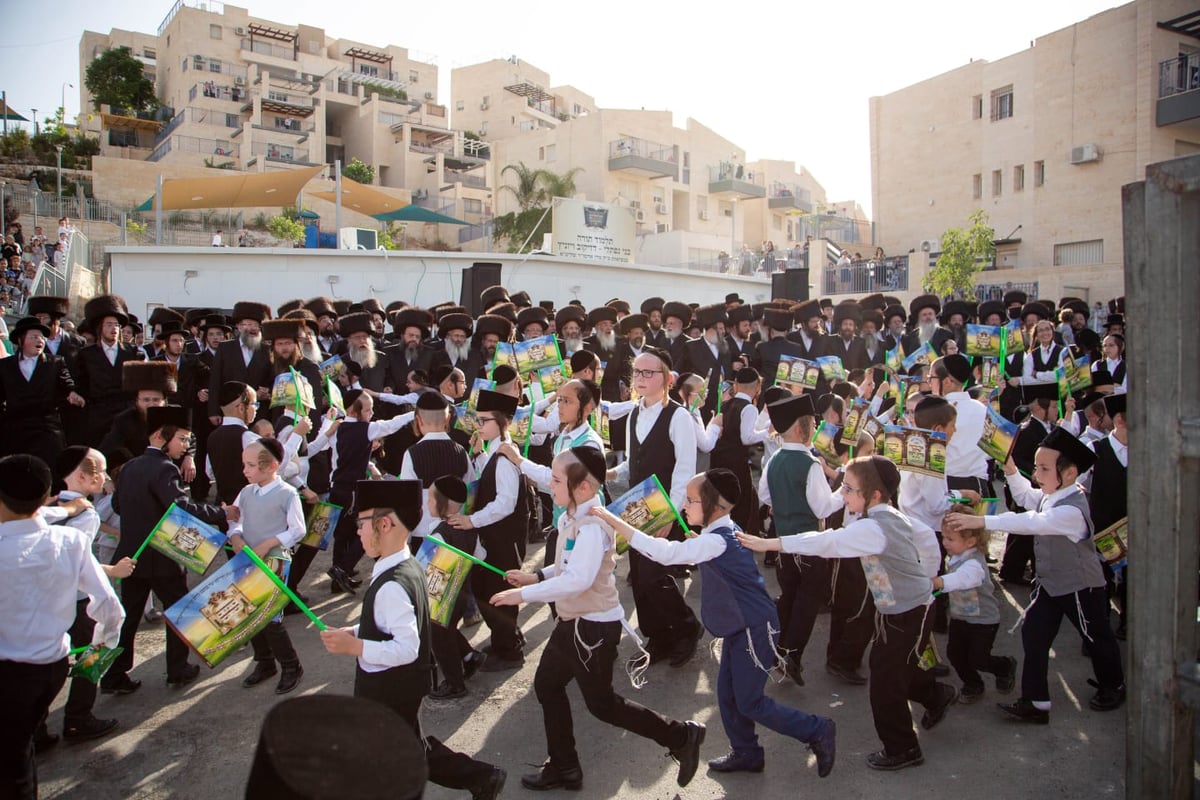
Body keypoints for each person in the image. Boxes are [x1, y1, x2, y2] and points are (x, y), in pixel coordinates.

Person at [596, 468, 836, 776]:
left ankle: (817, 729)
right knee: (727, 696)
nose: (684, 505)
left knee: (750, 702)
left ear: (716, 505)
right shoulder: (716, 534)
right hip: (742, 627)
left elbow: (669, 554)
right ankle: (747, 752)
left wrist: (616, 521)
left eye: (692, 500)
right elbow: (695, 553)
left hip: (754, 629)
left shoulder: (716, 540)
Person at [489, 448, 706, 791]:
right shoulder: (572, 516)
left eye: (557, 480)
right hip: (573, 623)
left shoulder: (591, 525)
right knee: (548, 685)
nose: (551, 485)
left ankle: (680, 735)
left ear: (585, 488)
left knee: (603, 705)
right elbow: (568, 567)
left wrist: (523, 595)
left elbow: (579, 579)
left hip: (592, 630)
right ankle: (565, 767)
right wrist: (535, 578)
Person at [739, 456, 957, 771]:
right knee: (895, 668)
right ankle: (938, 696)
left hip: (909, 612)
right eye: (843, 485)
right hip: (898, 610)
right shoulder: (882, 517)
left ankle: (904, 749)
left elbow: (825, 541)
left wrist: (769, 543)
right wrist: (926, 577)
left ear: (876, 495)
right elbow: (926, 541)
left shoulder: (873, 526)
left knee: (885, 684)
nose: (842, 494)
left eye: (849, 488)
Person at [319, 478, 505, 800]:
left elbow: (407, 647)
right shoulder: (408, 562)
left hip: (389, 690)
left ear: (385, 524)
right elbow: (392, 627)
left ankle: (482, 776)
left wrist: (357, 646)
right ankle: (482, 777)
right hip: (400, 686)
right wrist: (355, 632)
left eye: (361, 523)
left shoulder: (392, 584)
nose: (358, 531)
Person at [946, 426, 1125, 722]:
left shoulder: (1071, 509)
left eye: (1044, 468)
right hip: (1051, 585)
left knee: (1096, 637)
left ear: (1068, 473)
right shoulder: (1052, 495)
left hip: (1080, 585)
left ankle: (1113, 685)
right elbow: (1027, 497)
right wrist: (1012, 469)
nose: (1038, 474)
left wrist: (978, 521)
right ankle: (1036, 702)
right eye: (1037, 466)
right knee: (1034, 634)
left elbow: (1031, 521)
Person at [0, 454, 125, 800]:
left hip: (8, 672)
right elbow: (110, 608)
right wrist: (97, 656)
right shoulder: (70, 542)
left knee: (13, 766)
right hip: (52, 665)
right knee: (20, 748)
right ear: (45, 498)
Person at [103, 405, 234, 694]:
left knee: (128, 617)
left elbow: (117, 506)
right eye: (183, 439)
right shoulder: (164, 467)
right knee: (179, 612)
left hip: (130, 556)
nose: (186, 446)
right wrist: (222, 514)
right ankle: (177, 669)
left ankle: (113, 675)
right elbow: (181, 506)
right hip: (162, 556)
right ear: (164, 436)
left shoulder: (130, 467)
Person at [607, 350, 704, 667]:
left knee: (655, 575)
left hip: (665, 508)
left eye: (649, 373)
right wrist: (614, 473)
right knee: (638, 573)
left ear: (667, 378)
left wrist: (671, 514)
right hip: (638, 505)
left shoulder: (679, 417)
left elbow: (684, 469)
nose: (641, 378)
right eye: (637, 372)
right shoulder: (634, 412)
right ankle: (657, 636)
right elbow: (633, 460)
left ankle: (687, 628)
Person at [756, 394, 850, 686]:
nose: (816, 427)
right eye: (812, 423)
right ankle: (792, 655)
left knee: (790, 596)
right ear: (802, 429)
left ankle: (777, 648)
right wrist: (844, 490)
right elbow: (823, 508)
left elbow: (764, 496)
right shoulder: (809, 464)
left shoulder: (774, 459)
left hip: (783, 542)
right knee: (806, 602)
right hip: (810, 544)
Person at [446, 389, 530, 670]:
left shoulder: (506, 456)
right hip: (494, 537)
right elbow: (487, 477)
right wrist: (479, 455)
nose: (478, 425)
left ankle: (509, 651)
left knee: (497, 593)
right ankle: (507, 639)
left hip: (502, 539)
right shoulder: (495, 449)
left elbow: (505, 503)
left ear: (502, 422)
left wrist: (472, 521)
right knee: (489, 590)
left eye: (484, 421)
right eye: (477, 420)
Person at [229, 438, 305, 694]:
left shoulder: (287, 493)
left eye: (250, 465)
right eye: (243, 465)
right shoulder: (246, 492)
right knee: (250, 613)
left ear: (271, 465)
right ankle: (264, 662)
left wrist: (269, 543)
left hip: (275, 559)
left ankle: (291, 666)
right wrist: (236, 536)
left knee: (270, 616)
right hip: (249, 558)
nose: (244, 470)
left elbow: (298, 530)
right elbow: (236, 520)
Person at [934, 515, 1017, 704]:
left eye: (950, 539)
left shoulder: (974, 564)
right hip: (960, 617)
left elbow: (962, 579)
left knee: (978, 658)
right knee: (955, 654)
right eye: (944, 537)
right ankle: (973, 684)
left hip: (983, 621)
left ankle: (1004, 666)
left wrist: (937, 582)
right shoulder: (956, 556)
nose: (945, 543)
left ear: (970, 541)